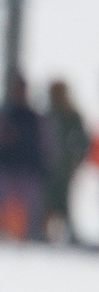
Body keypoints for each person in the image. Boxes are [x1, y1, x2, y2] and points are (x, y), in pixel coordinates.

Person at [0, 72, 45, 241]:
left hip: (29, 168)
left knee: (32, 210)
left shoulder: (33, 117)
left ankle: (31, 237)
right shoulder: (4, 116)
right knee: (0, 206)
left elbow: (43, 143)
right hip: (7, 167)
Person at [44, 79, 87, 245]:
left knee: (66, 202)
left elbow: (82, 141)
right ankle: (46, 234)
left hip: (66, 168)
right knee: (48, 202)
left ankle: (70, 236)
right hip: (49, 168)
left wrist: (77, 160)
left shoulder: (72, 115)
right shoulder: (48, 114)